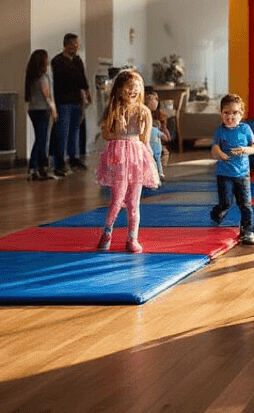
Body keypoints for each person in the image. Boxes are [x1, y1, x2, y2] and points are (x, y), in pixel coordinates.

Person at [94, 70, 159, 253]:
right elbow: (105, 134)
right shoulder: (113, 109)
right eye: (128, 88)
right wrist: (118, 134)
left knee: (133, 202)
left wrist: (151, 163)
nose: (132, 91)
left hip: (136, 157)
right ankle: (107, 232)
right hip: (119, 157)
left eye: (136, 88)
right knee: (117, 198)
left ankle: (132, 238)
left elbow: (145, 140)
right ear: (120, 89)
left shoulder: (144, 111)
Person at [210, 93, 254, 245]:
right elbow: (214, 148)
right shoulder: (220, 131)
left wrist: (245, 150)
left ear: (241, 114)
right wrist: (220, 154)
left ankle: (247, 231)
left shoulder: (245, 129)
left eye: (234, 113)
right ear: (221, 114)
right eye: (226, 113)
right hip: (224, 174)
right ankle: (217, 212)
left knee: (245, 204)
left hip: (243, 174)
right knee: (226, 202)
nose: (230, 117)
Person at [50, 33, 91, 176]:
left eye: (77, 45)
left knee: (75, 131)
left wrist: (87, 93)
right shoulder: (57, 61)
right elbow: (58, 82)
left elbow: (82, 79)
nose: (76, 47)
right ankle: (59, 161)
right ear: (66, 45)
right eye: (73, 45)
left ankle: (74, 158)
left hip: (77, 101)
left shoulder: (78, 61)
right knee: (62, 132)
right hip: (63, 101)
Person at [23, 49, 58, 181]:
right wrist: (53, 110)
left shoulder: (31, 77)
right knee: (42, 140)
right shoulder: (43, 78)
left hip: (33, 109)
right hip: (42, 110)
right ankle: (38, 167)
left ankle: (36, 168)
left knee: (39, 139)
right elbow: (47, 95)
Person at [146, 91, 169, 182]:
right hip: (146, 141)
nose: (156, 101)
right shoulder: (144, 112)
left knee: (163, 153)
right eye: (153, 99)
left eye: (156, 99)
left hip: (156, 141)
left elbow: (165, 134)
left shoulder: (160, 114)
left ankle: (159, 173)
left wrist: (163, 128)